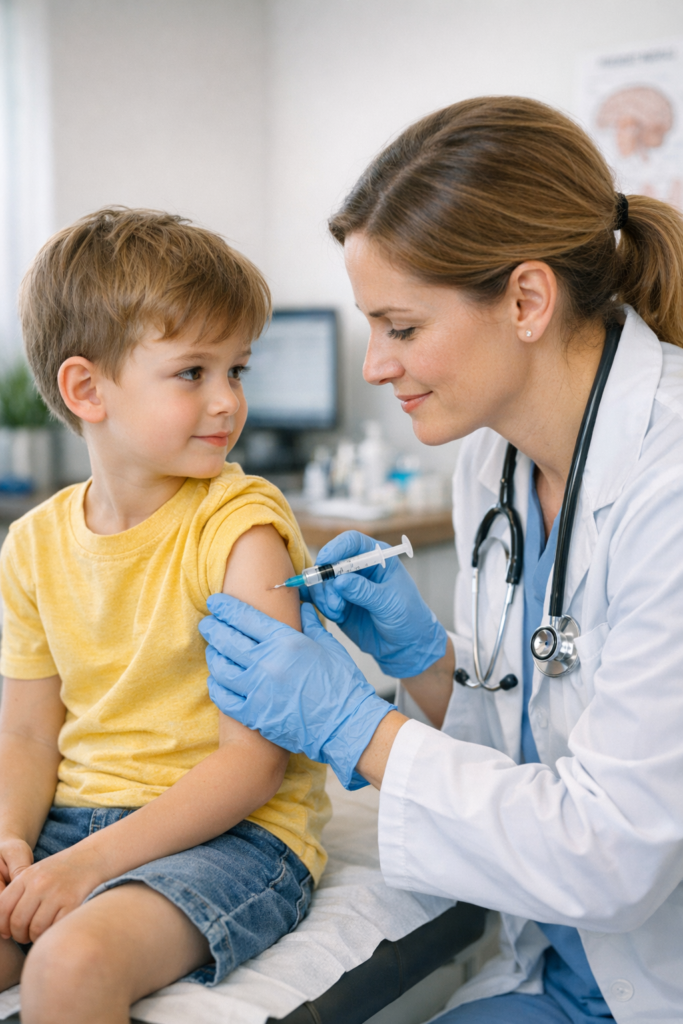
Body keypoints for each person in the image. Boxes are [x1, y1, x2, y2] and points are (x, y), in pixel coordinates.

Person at [201, 97, 683, 1022]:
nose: (376, 365)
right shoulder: (492, 462)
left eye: (402, 327)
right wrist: (429, 664)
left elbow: (610, 851)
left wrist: (353, 729)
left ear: (527, 301)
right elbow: (520, 747)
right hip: (557, 970)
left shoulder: (667, 485)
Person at [0, 208, 330, 1024]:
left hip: (236, 835)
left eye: (237, 370)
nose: (227, 402)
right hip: (75, 821)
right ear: (87, 389)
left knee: (69, 970)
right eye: (193, 373)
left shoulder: (241, 527)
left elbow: (253, 767)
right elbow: (27, 736)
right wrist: (13, 839)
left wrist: (84, 868)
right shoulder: (32, 546)